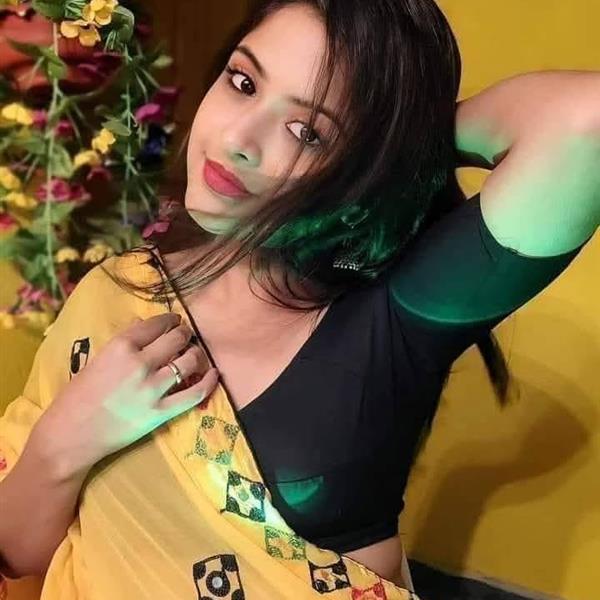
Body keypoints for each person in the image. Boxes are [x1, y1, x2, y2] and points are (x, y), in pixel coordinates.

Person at [0, 0, 598, 598]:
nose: (237, 139)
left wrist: (398, 146)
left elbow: (586, 121)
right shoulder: (116, 292)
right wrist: (65, 440)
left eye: (307, 132)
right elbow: (16, 548)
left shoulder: (386, 325)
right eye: (243, 82)